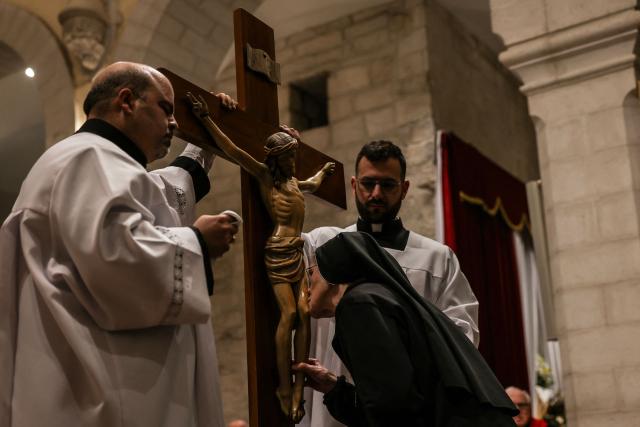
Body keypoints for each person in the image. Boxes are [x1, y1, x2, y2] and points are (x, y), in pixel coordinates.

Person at [0, 62, 240, 427]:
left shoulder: (101, 162)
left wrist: (208, 139)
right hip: (98, 393)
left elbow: (168, 190)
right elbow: (114, 257)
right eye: (166, 109)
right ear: (126, 100)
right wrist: (198, 243)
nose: (174, 124)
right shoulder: (87, 159)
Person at [295, 137, 479, 426]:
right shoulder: (322, 244)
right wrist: (286, 159)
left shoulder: (436, 259)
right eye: (368, 184)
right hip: (330, 401)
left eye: (388, 185)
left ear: (404, 189)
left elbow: (461, 340)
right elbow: (276, 244)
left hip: (406, 409)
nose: (376, 194)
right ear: (354, 185)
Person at [186, 93, 335, 423]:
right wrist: (207, 119)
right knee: (289, 314)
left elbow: (312, 183)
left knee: (306, 314)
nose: (293, 162)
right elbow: (234, 150)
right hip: (278, 251)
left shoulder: (295, 182)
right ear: (278, 158)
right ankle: (285, 386)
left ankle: (299, 384)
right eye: (289, 156)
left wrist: (325, 171)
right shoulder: (266, 177)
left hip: (297, 250)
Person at [293, 232, 517, 426]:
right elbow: (395, 399)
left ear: (333, 273)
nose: (308, 286)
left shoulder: (358, 304)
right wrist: (334, 388)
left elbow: (393, 409)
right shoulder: (377, 298)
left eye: (311, 273)